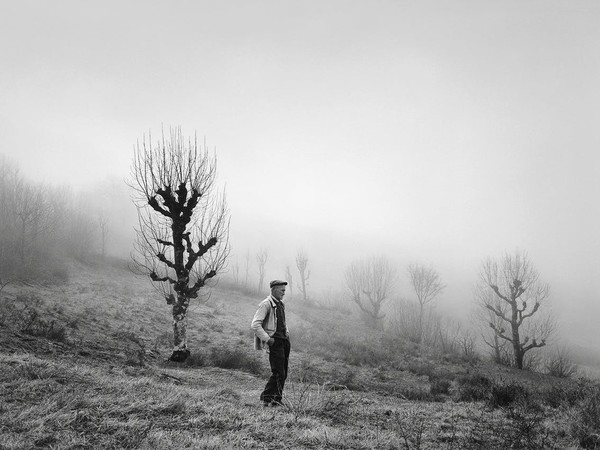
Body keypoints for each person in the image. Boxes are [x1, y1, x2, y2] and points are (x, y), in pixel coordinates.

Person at [251, 279, 290, 407]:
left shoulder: (280, 304)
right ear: (273, 289)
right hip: (275, 342)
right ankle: (269, 398)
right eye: (282, 290)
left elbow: (281, 322)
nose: (284, 293)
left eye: (284, 290)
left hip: (284, 341)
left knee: (282, 372)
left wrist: (287, 334)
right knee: (279, 372)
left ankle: (274, 399)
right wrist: (268, 339)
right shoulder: (265, 304)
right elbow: (255, 325)